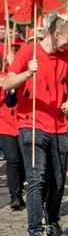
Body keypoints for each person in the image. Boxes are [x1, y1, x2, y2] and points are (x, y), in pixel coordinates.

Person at [4, 12, 68, 236]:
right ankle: (36, 233)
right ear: (56, 34)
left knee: (57, 182)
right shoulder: (28, 52)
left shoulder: (67, 57)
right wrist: (28, 73)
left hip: (58, 125)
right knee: (36, 180)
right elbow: (7, 83)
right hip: (31, 124)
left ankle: (53, 224)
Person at [0, 65, 25, 211]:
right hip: (6, 124)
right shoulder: (3, 76)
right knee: (12, 159)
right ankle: (14, 196)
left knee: (22, 160)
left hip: (23, 122)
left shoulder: (25, 75)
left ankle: (19, 191)